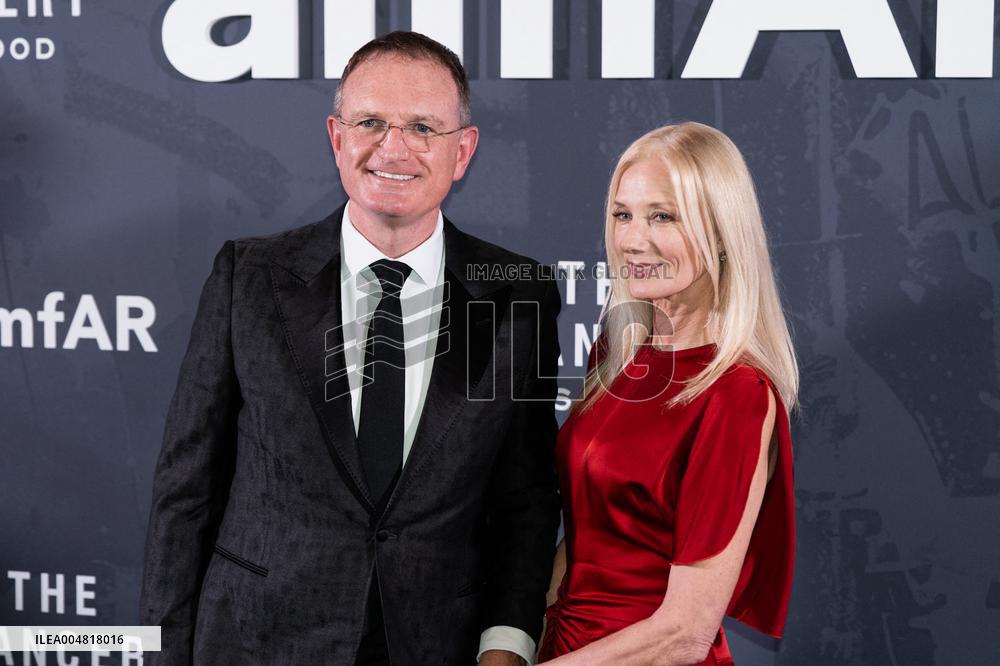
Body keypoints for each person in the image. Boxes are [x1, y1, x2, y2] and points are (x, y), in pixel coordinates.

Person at [140, 31, 561, 665]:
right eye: (370, 122)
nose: (393, 148)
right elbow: (186, 491)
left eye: (423, 127)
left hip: (436, 647)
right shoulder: (248, 278)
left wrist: (507, 645)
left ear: (463, 150)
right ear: (336, 137)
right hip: (256, 645)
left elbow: (526, 499)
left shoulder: (517, 293)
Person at [537, 122, 798, 665]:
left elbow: (684, 633)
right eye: (623, 214)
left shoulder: (737, 394)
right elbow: (590, 535)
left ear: (722, 232)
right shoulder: (618, 352)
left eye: (664, 216)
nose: (633, 239)